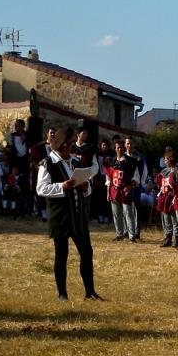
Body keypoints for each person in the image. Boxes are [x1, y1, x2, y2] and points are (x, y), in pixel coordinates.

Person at [35, 127, 101, 301]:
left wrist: (86, 187)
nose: (72, 147)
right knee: (61, 254)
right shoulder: (48, 163)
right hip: (61, 216)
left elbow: (86, 184)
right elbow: (41, 188)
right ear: (63, 145)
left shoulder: (75, 161)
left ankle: (90, 292)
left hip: (78, 216)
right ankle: (62, 294)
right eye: (71, 143)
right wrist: (62, 186)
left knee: (86, 252)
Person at [105, 140, 140, 241]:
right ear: (115, 149)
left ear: (124, 149)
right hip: (114, 190)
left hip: (125, 190)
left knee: (128, 213)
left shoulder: (131, 162)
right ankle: (119, 234)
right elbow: (108, 178)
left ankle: (132, 235)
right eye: (117, 147)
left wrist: (130, 186)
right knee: (116, 213)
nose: (119, 149)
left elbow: (136, 177)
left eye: (121, 147)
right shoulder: (111, 162)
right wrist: (108, 191)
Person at [155, 148, 178, 248]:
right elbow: (160, 183)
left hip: (173, 198)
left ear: (171, 159)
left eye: (166, 159)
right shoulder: (163, 172)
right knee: (166, 219)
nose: (164, 161)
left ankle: (177, 238)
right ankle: (168, 238)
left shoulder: (177, 171)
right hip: (164, 198)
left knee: (174, 219)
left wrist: (173, 193)